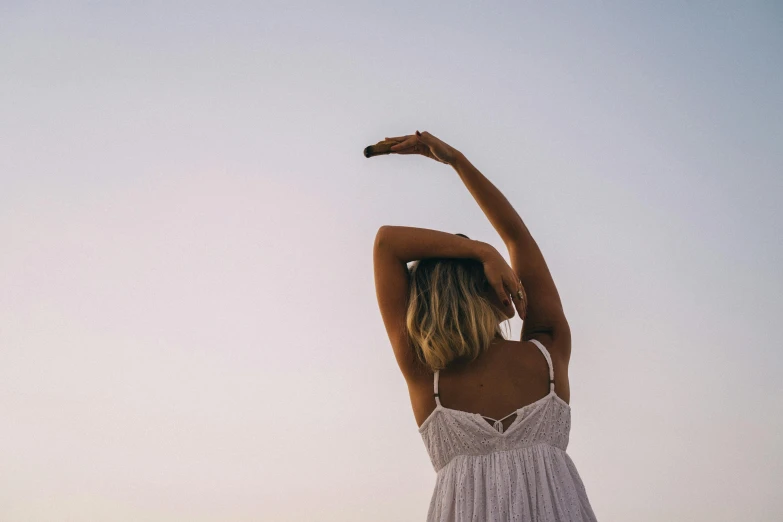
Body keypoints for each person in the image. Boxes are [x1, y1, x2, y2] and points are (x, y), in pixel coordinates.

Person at [372, 130, 598, 521]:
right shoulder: (547, 351)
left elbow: (385, 246)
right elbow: (516, 236)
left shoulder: (426, 377)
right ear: (478, 283)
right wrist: (457, 163)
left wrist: (480, 251)